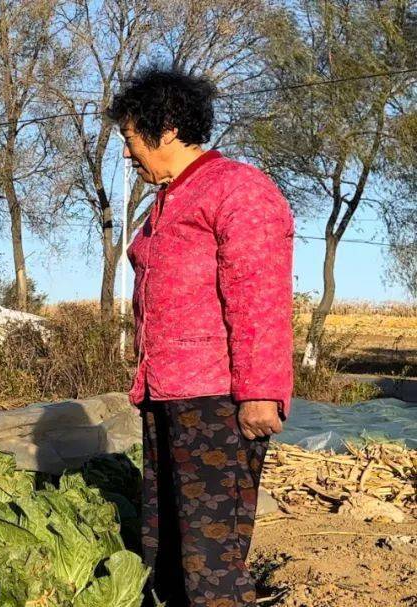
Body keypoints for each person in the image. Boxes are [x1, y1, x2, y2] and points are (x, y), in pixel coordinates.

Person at [107, 67, 295, 607]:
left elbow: (258, 294)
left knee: (212, 553)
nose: (128, 154)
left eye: (130, 138)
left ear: (164, 129)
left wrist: (261, 390)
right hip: (168, 393)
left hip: (216, 400)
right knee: (166, 540)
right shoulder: (168, 200)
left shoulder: (238, 190)